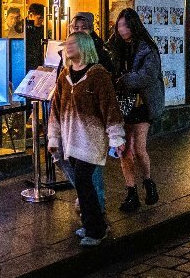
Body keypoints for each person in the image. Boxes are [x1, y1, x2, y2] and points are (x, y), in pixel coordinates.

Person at [47, 32, 125, 246]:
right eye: (67, 44)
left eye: (72, 43)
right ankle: (93, 224)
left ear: (84, 46)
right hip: (71, 139)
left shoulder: (98, 75)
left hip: (92, 139)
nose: (68, 47)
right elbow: (56, 109)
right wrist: (54, 138)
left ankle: (96, 230)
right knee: (82, 185)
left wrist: (116, 138)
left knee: (83, 180)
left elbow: (110, 108)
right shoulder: (64, 76)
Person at [107, 8, 165, 212]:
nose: (122, 29)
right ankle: (131, 192)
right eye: (119, 25)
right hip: (122, 105)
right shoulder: (114, 46)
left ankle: (148, 182)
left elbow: (147, 76)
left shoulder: (147, 48)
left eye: (126, 25)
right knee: (123, 150)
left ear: (134, 25)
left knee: (138, 149)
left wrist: (122, 80)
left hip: (141, 104)